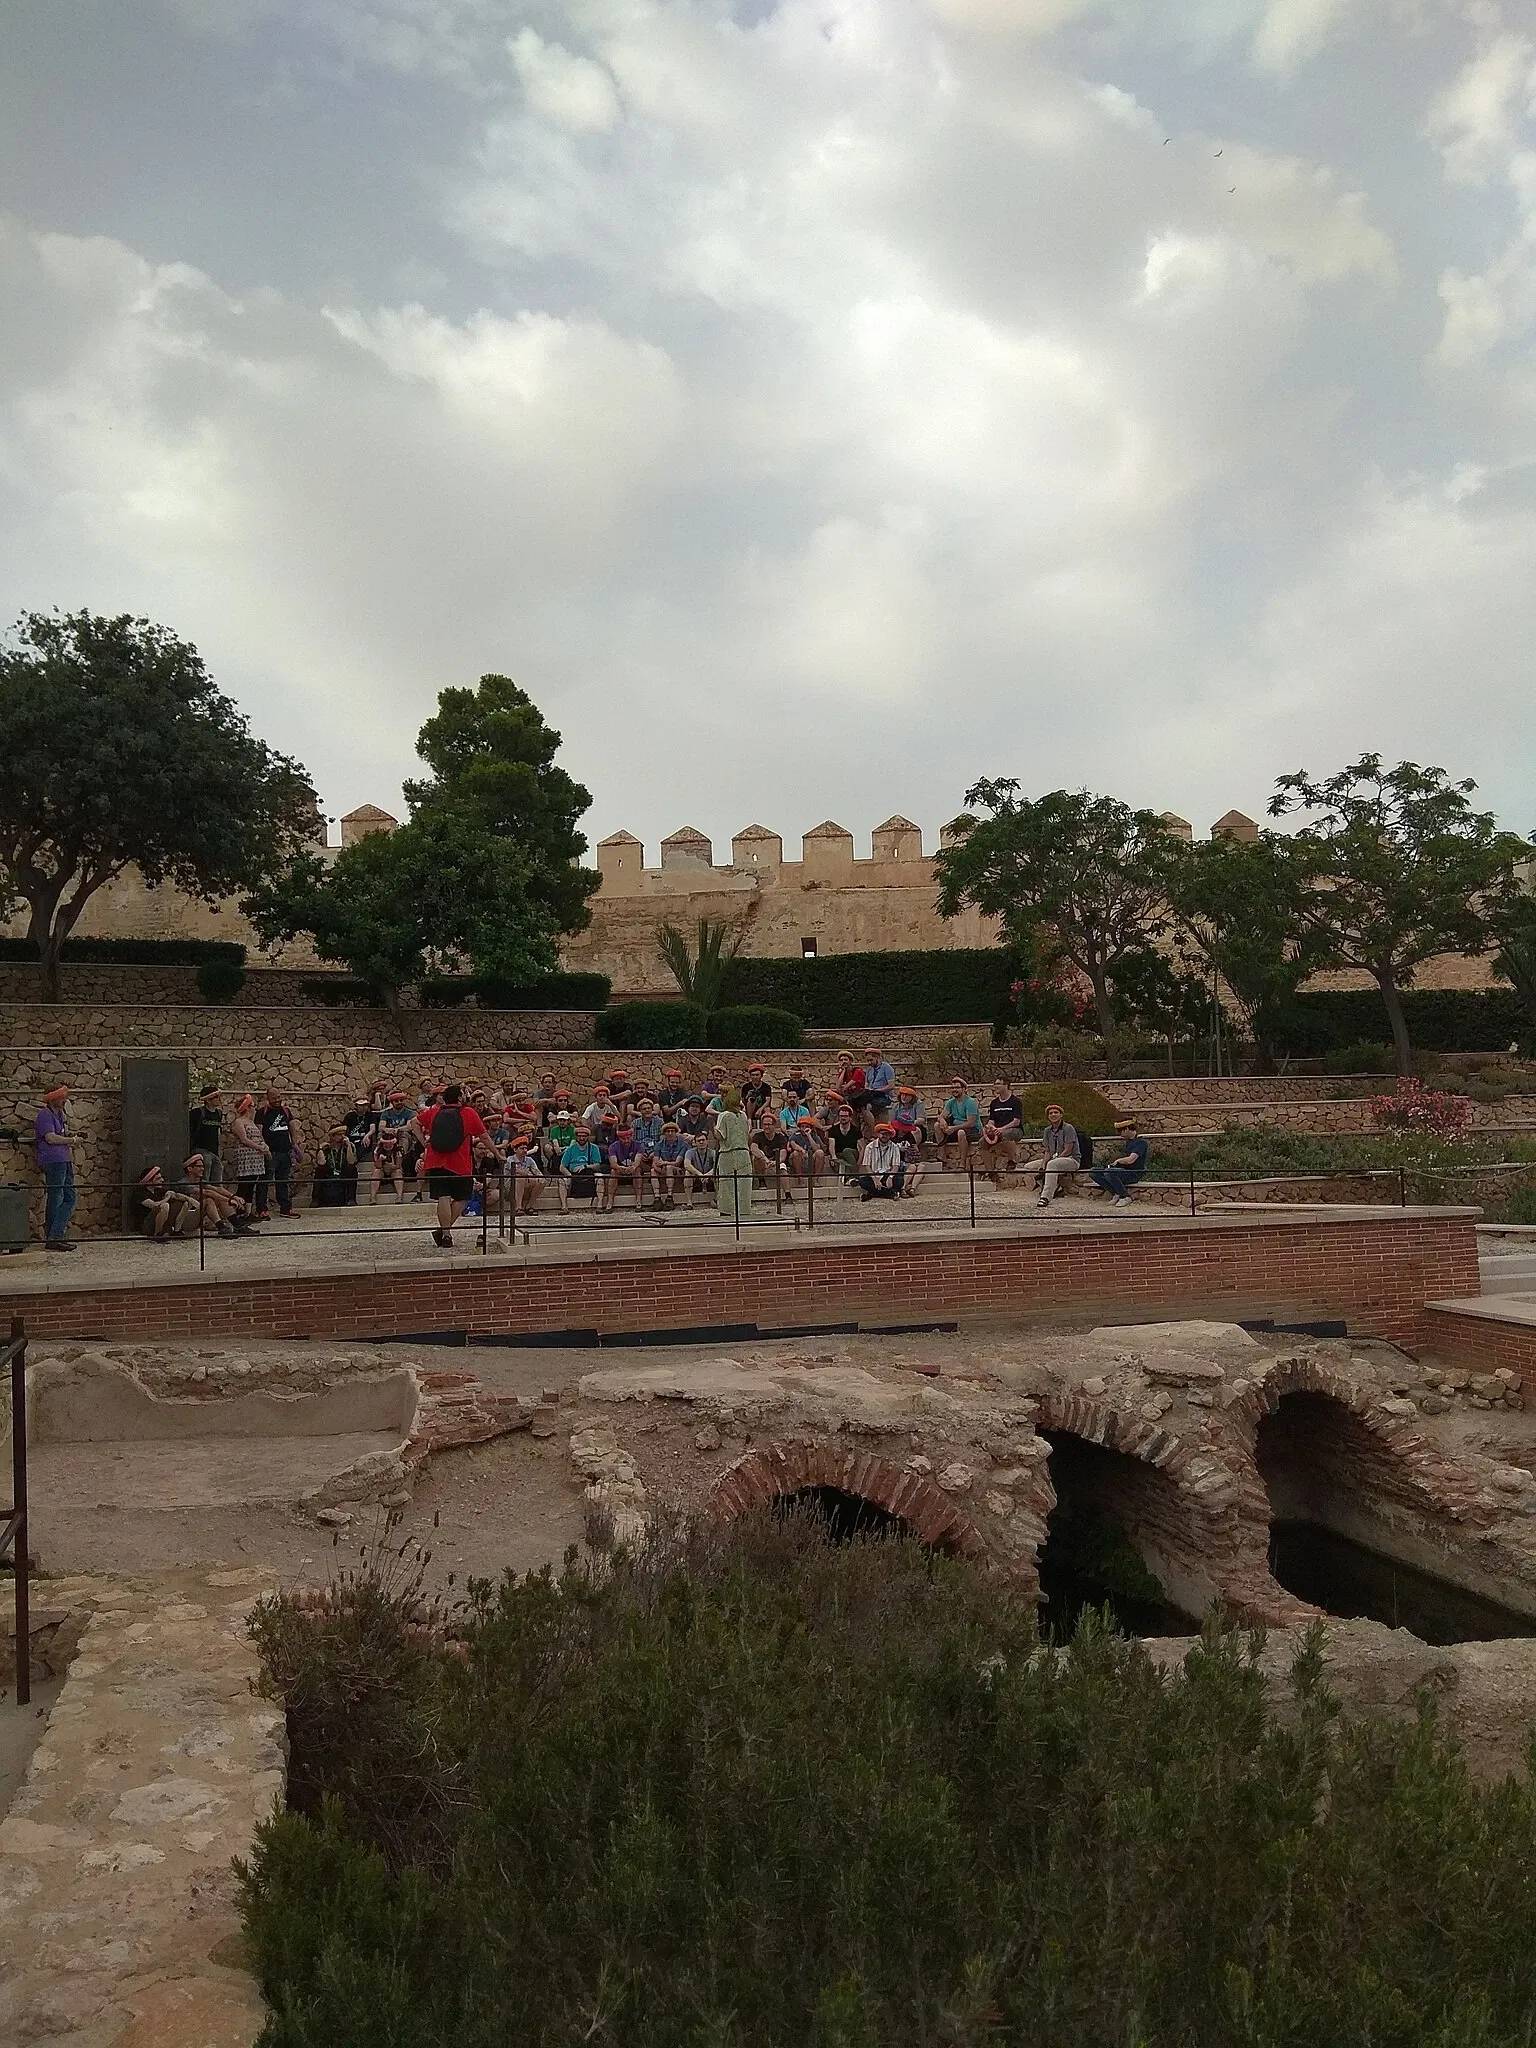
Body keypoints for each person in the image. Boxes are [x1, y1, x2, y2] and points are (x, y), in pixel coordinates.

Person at [412, 1083, 489, 1248]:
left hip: (435, 1160)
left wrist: (425, 1144)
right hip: (460, 1162)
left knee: (443, 1197)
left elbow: (414, 1123)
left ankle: (445, 1234)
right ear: (460, 1097)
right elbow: (484, 1136)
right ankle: (443, 1231)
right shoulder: (468, 1113)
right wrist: (497, 1153)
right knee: (463, 1197)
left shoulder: (434, 1111)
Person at [33, 1084, 76, 1252]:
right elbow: (50, 1138)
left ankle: (54, 1234)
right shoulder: (45, 1115)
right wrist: (71, 1140)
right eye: (61, 1097)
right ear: (52, 1099)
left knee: (64, 1196)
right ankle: (55, 1235)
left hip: (63, 1159)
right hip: (54, 1160)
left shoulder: (58, 1115)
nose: (64, 1100)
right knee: (60, 1196)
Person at [174, 1153, 258, 1237]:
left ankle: (238, 1226)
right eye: (199, 1166)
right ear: (189, 1168)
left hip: (195, 1216)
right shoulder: (183, 1183)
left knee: (218, 1199)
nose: (202, 1169)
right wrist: (229, 1200)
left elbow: (217, 1189)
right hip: (184, 1220)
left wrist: (234, 1197)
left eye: (202, 1166)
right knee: (209, 1201)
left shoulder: (198, 1181)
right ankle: (221, 1228)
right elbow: (207, 1192)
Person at [1021, 1104, 1083, 1207]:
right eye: (1050, 1113)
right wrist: (1044, 1163)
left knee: (1052, 1165)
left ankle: (1045, 1197)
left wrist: (1053, 1161)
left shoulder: (1068, 1128)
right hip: (1054, 1159)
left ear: (1061, 1115)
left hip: (1071, 1159)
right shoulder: (1047, 1131)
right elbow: (1048, 1151)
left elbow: (1068, 1150)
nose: (1053, 1114)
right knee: (1029, 1167)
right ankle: (1056, 1188)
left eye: (1056, 1112)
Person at [255, 1088, 301, 1217]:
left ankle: (285, 1208)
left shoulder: (285, 1111)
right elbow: (259, 1131)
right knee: (265, 1181)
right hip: (271, 1152)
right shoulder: (262, 1113)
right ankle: (261, 1209)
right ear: (268, 1098)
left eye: (279, 1097)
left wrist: (294, 1144)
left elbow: (292, 1127)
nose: (277, 1100)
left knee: (283, 1181)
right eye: (274, 1098)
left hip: (285, 1151)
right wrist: (264, 1148)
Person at [714, 1084, 753, 1223]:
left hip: (728, 1153)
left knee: (727, 1184)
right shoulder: (743, 1115)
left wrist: (715, 1129)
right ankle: (744, 1211)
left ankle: (727, 1212)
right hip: (744, 1152)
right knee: (744, 1184)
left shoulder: (723, 1115)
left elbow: (720, 1136)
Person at [1091, 1119, 1150, 1207]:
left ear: (1127, 1129)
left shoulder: (1141, 1143)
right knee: (1094, 1172)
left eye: (1120, 1131)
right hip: (1124, 1170)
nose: (1120, 1134)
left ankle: (1125, 1196)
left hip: (1134, 1173)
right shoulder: (1128, 1142)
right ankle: (1116, 1193)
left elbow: (1131, 1159)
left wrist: (1118, 1161)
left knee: (1109, 1172)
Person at [230, 1094, 271, 1219]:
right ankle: (237, 1211)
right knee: (244, 1185)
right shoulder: (238, 1122)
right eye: (252, 1106)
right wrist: (259, 1147)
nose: (254, 1108)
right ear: (247, 1107)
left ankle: (247, 1212)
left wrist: (265, 1146)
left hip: (255, 1158)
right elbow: (244, 1139)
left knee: (251, 1185)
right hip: (246, 1157)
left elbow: (258, 1137)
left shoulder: (251, 1122)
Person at [133, 1164, 197, 1242]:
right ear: (149, 1180)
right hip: (147, 1225)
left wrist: (190, 1200)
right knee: (164, 1206)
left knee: (184, 1202)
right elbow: (154, 1205)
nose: (162, 1180)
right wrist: (167, 1198)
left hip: (162, 1220)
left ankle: (177, 1231)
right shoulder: (140, 1194)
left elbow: (176, 1195)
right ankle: (157, 1234)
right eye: (158, 1179)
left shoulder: (158, 1190)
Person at [979, 1078, 1024, 1185]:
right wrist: (990, 1127)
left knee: (1006, 1134)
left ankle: (1012, 1161)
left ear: (1006, 1085)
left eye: (998, 1084)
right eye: (995, 1084)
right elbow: (992, 1120)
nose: (996, 1086)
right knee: (982, 1142)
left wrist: (1001, 1129)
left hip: (1014, 1130)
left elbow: (1016, 1121)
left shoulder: (1015, 1101)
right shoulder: (994, 1103)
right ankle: (990, 1171)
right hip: (997, 1131)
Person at [558, 1121, 606, 1214]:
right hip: (573, 1173)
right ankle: (564, 1207)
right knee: (561, 1180)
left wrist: (585, 1166)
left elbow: (597, 1165)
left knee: (600, 1177)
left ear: (587, 1137)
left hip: (588, 1172)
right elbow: (562, 1167)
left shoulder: (594, 1148)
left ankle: (599, 1205)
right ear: (576, 1137)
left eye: (584, 1136)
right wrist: (570, 1175)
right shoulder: (570, 1149)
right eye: (579, 1136)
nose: (581, 1138)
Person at [934, 1076, 982, 1167]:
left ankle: (962, 1164)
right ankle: (942, 1155)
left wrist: (953, 1128)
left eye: (957, 1087)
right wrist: (942, 1120)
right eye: (952, 1088)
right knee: (937, 1125)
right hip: (956, 1128)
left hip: (973, 1130)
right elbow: (942, 1115)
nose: (954, 1089)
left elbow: (971, 1123)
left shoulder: (970, 1102)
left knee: (961, 1133)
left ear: (963, 1089)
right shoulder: (951, 1102)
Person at [312, 1125, 357, 1207]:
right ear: (332, 1136)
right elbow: (321, 1162)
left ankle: (351, 1199)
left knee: (352, 1169)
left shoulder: (348, 1147)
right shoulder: (326, 1148)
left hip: (342, 1172)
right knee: (319, 1171)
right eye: (339, 1134)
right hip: (329, 1172)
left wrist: (349, 1146)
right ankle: (316, 1199)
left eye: (343, 1134)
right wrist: (321, 1148)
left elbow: (351, 1161)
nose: (342, 1137)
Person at [188, 1085, 225, 1184]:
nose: (219, 1099)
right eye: (216, 1097)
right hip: (201, 1149)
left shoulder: (219, 1114)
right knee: (204, 1177)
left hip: (214, 1151)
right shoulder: (198, 1113)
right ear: (208, 1100)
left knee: (218, 1175)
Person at [858, 1123, 905, 1200]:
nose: (884, 1136)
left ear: (890, 1136)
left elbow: (895, 1166)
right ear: (878, 1134)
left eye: (887, 1134)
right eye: (882, 1134)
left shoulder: (895, 1147)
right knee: (862, 1181)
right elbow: (867, 1166)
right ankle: (890, 1194)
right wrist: (875, 1179)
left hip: (887, 1174)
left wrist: (890, 1177)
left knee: (899, 1180)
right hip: (874, 1175)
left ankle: (872, 1193)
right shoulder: (869, 1147)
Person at [649, 1121, 689, 1208]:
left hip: (678, 1169)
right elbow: (654, 1162)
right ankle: (657, 1198)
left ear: (676, 1133)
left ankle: (669, 1196)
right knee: (653, 1171)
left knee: (670, 1167)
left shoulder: (683, 1144)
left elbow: (677, 1162)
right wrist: (659, 1169)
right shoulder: (659, 1145)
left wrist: (664, 1163)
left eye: (672, 1131)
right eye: (668, 1131)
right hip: (664, 1168)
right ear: (664, 1133)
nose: (670, 1133)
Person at [506, 1133, 546, 1216]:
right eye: (522, 1148)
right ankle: (518, 1208)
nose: (525, 1150)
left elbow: (537, 1173)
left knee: (542, 1181)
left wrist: (539, 1177)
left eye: (525, 1148)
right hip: (510, 1187)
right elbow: (518, 1171)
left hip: (525, 1183)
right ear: (515, 1150)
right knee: (520, 1177)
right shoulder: (510, 1159)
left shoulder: (529, 1160)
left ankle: (529, 1206)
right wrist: (529, 1174)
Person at [683, 1129, 717, 1207]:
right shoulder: (690, 1152)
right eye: (699, 1141)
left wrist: (708, 1174)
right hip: (697, 1175)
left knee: (718, 1172)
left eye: (703, 1140)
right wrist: (699, 1174)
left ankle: (717, 1199)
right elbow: (687, 1165)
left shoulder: (712, 1152)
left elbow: (717, 1165)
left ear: (707, 1141)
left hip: (709, 1176)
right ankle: (689, 1202)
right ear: (695, 1143)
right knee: (687, 1173)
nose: (701, 1142)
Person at [862, 1047, 896, 1124]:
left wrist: (878, 1090)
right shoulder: (869, 1069)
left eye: (871, 1060)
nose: (869, 1063)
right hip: (871, 1094)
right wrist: (868, 1089)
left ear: (877, 1057)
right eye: (868, 1061)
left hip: (883, 1096)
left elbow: (891, 1086)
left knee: (868, 1107)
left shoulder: (887, 1068)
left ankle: (873, 1130)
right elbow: (866, 1083)